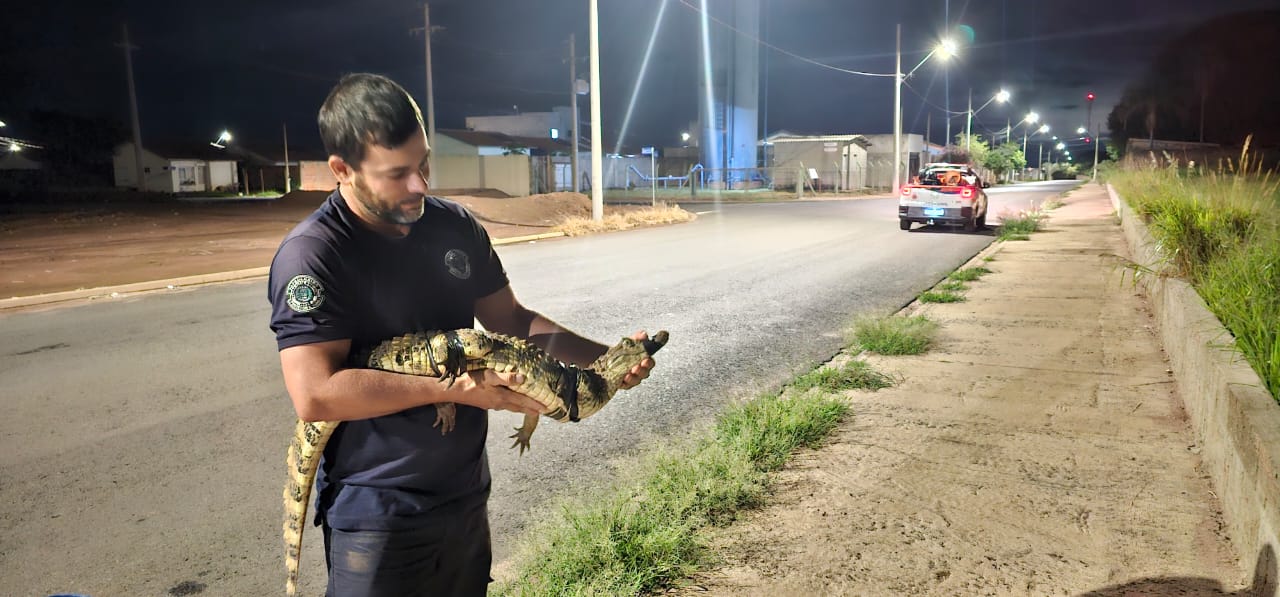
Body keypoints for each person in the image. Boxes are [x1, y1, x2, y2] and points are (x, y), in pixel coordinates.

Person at [267, 72, 655, 597]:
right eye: (397, 174)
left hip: (464, 493)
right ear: (342, 170)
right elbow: (316, 394)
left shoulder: (455, 226)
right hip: (378, 509)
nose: (420, 186)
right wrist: (456, 389)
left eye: (423, 164)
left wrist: (607, 361)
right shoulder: (314, 254)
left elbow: (512, 321)